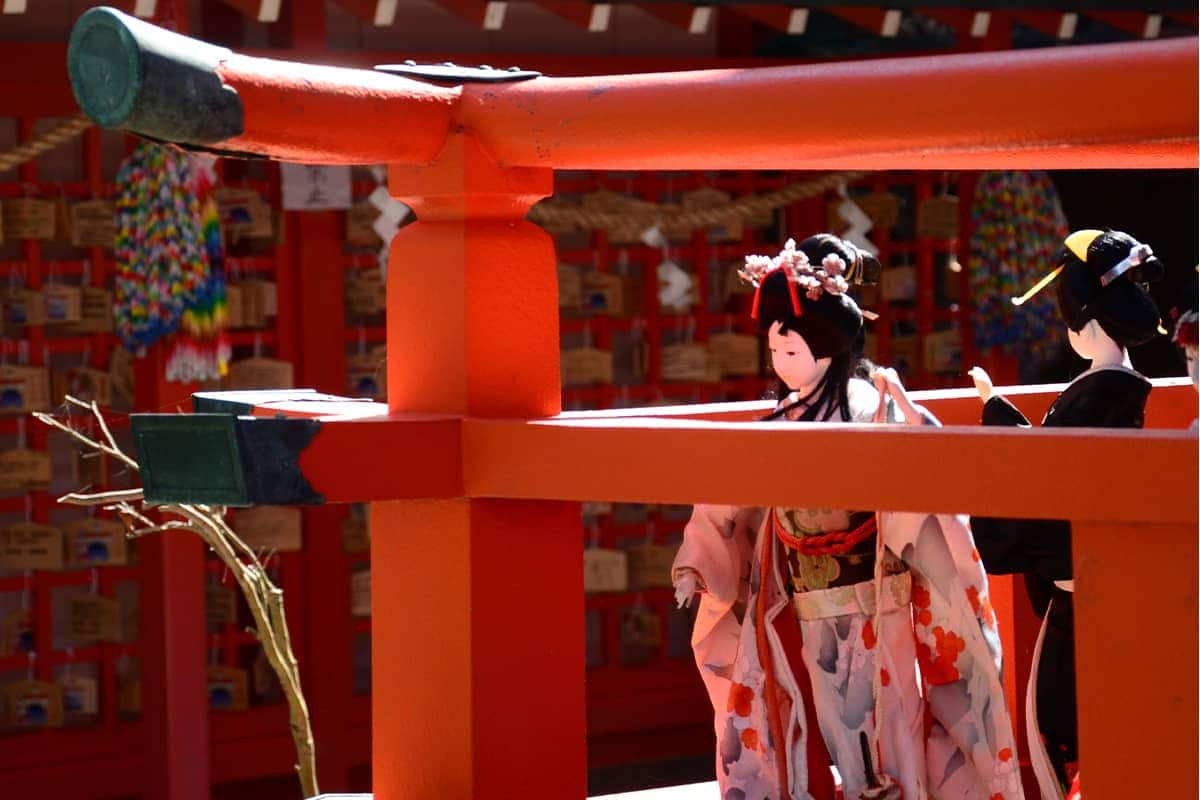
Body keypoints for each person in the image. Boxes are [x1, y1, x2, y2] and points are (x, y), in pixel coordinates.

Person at [674, 234, 1022, 800]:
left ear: (828, 349)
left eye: (791, 352)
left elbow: (929, 461)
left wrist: (910, 415)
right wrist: (698, 563)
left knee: (892, 730)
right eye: (775, 352)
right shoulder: (778, 423)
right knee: (816, 726)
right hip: (805, 604)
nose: (780, 363)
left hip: (878, 597)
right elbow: (727, 496)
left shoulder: (868, 407)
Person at [969, 228, 1165, 800]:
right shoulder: (1114, 388)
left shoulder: (1105, 392)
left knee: (1059, 724)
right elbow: (1053, 461)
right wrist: (1000, 410)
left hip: (1085, 587)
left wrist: (995, 413)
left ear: (1088, 324)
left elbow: (1052, 473)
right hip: (1103, 577)